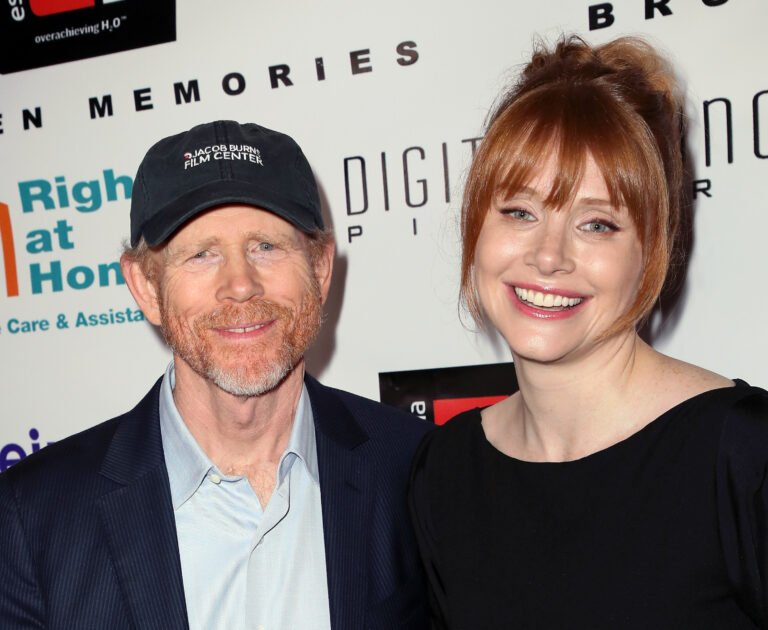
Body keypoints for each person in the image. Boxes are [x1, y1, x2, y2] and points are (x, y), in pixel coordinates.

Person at [0, 120, 432, 629]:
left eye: (265, 247)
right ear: (145, 287)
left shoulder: (417, 470)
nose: (241, 285)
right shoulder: (32, 518)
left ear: (319, 269)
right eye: (202, 254)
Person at [409, 36, 768, 629]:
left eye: (597, 224)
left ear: (651, 250)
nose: (549, 257)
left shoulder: (741, 456)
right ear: (476, 227)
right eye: (519, 212)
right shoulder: (444, 474)